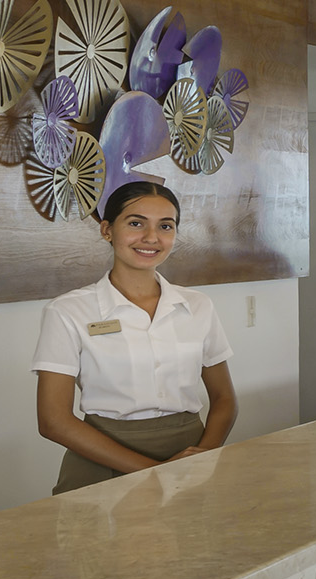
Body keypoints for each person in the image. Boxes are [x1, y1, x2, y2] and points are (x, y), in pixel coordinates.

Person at [34, 178, 240, 492]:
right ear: (107, 230)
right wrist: (156, 472)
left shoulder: (198, 306)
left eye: (166, 226)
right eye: (135, 223)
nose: (151, 238)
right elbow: (53, 421)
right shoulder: (68, 312)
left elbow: (224, 399)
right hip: (102, 465)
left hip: (189, 461)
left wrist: (204, 456)